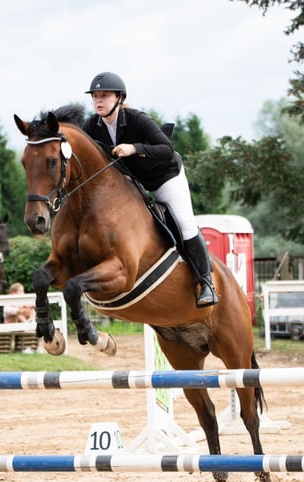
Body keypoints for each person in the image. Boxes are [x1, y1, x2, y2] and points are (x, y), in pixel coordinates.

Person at [81, 71, 218, 307]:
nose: (98, 101)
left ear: (119, 99)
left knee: (184, 224)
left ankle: (206, 282)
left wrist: (134, 148)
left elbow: (166, 149)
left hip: (165, 177)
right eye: (95, 96)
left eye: (104, 95)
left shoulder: (137, 119)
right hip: (135, 182)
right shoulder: (92, 125)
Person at [3, 282, 38, 354]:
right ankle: (28, 326)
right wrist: (19, 310)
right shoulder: (9, 299)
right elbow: (6, 310)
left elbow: (31, 305)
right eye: (21, 291)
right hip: (11, 322)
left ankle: (31, 322)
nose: (23, 293)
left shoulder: (22, 300)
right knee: (18, 313)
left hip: (21, 321)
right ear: (13, 292)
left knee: (32, 310)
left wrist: (28, 307)